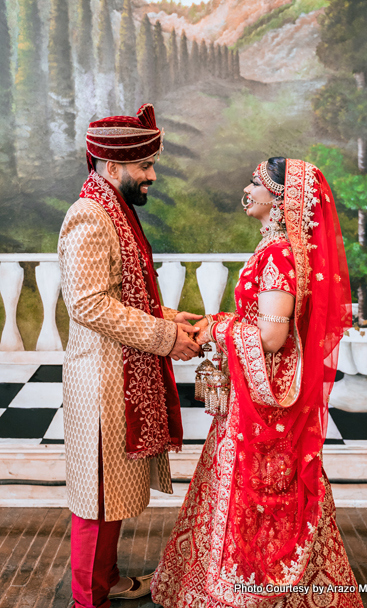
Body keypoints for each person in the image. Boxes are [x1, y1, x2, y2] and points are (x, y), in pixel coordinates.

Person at [151, 157, 364, 608]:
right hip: (260, 387)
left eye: (256, 183)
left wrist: (218, 328)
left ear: (280, 198)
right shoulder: (285, 250)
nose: (246, 190)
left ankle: (251, 588)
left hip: (267, 394)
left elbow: (271, 336)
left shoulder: (280, 254)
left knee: (262, 487)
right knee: (271, 483)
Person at [58, 103, 201, 608]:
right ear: (114, 167)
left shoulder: (111, 209)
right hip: (101, 383)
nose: (152, 175)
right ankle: (86, 598)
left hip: (117, 377)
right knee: (97, 501)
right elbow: (89, 304)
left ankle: (109, 579)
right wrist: (165, 338)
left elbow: (120, 291)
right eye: (144, 165)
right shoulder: (90, 217)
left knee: (111, 496)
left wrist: (168, 315)